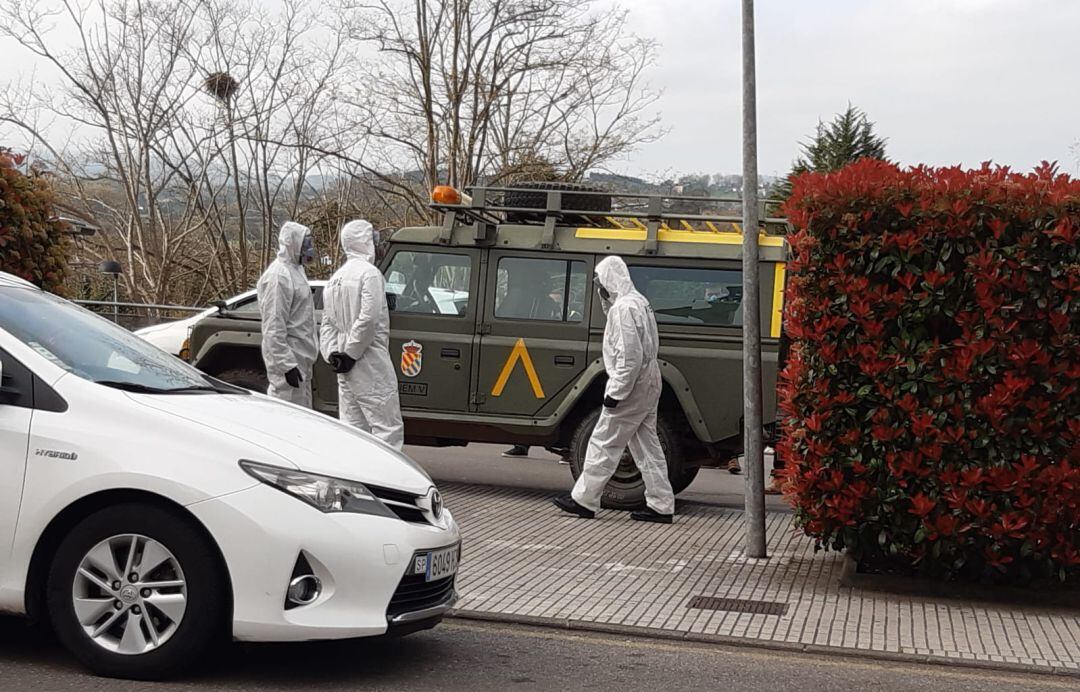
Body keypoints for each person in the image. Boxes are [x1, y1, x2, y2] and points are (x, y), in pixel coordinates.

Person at [552, 255, 675, 524]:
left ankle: (584, 499)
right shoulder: (639, 302)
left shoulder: (623, 309)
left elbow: (628, 356)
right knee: (647, 445)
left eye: (600, 281)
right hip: (648, 380)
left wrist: (616, 391)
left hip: (633, 384)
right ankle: (661, 504)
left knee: (604, 441)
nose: (600, 288)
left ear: (609, 279)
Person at [320, 219, 405, 449]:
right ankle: (386, 480)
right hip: (370, 361)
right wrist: (351, 353)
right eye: (373, 238)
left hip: (345, 368)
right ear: (365, 241)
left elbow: (327, 324)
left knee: (352, 428)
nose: (378, 244)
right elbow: (368, 319)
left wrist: (334, 355)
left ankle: (354, 478)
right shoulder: (370, 275)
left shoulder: (334, 279)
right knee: (387, 428)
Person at [257, 221, 318, 406]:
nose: (309, 249)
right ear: (293, 243)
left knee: (303, 418)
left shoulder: (295, 271)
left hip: (301, 359)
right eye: (305, 244)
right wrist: (286, 364)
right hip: (289, 361)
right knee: (286, 417)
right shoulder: (279, 276)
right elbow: (273, 326)